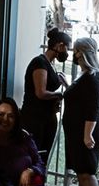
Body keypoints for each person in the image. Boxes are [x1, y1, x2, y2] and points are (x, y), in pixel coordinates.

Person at [63, 37, 99, 186]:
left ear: (82, 53)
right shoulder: (84, 75)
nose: (73, 54)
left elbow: (93, 108)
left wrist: (87, 135)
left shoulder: (93, 77)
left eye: (76, 51)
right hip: (75, 133)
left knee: (87, 174)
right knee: (81, 174)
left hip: (85, 133)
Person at [22, 29, 72, 159]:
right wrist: (58, 95)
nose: (67, 53)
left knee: (42, 157)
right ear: (59, 45)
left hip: (46, 118)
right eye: (67, 48)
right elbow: (40, 93)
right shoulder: (40, 63)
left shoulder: (49, 65)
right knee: (34, 157)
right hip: (35, 119)